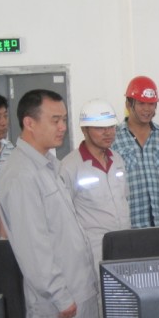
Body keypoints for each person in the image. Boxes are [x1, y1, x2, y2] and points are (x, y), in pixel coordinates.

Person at [0, 89, 103, 318]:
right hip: (59, 306)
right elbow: (34, 247)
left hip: (80, 293)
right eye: (55, 120)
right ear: (29, 123)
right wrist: (60, 296)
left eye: (64, 119)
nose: (63, 127)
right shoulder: (21, 174)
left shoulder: (48, 166)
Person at [60, 99, 130, 269]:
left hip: (124, 245)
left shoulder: (117, 159)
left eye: (111, 127)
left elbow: (124, 198)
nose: (108, 133)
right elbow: (63, 216)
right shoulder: (70, 166)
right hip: (92, 252)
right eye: (100, 128)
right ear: (84, 130)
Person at [112, 76, 159, 228]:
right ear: (128, 104)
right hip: (130, 225)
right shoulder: (114, 137)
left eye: (151, 104)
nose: (147, 109)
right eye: (141, 103)